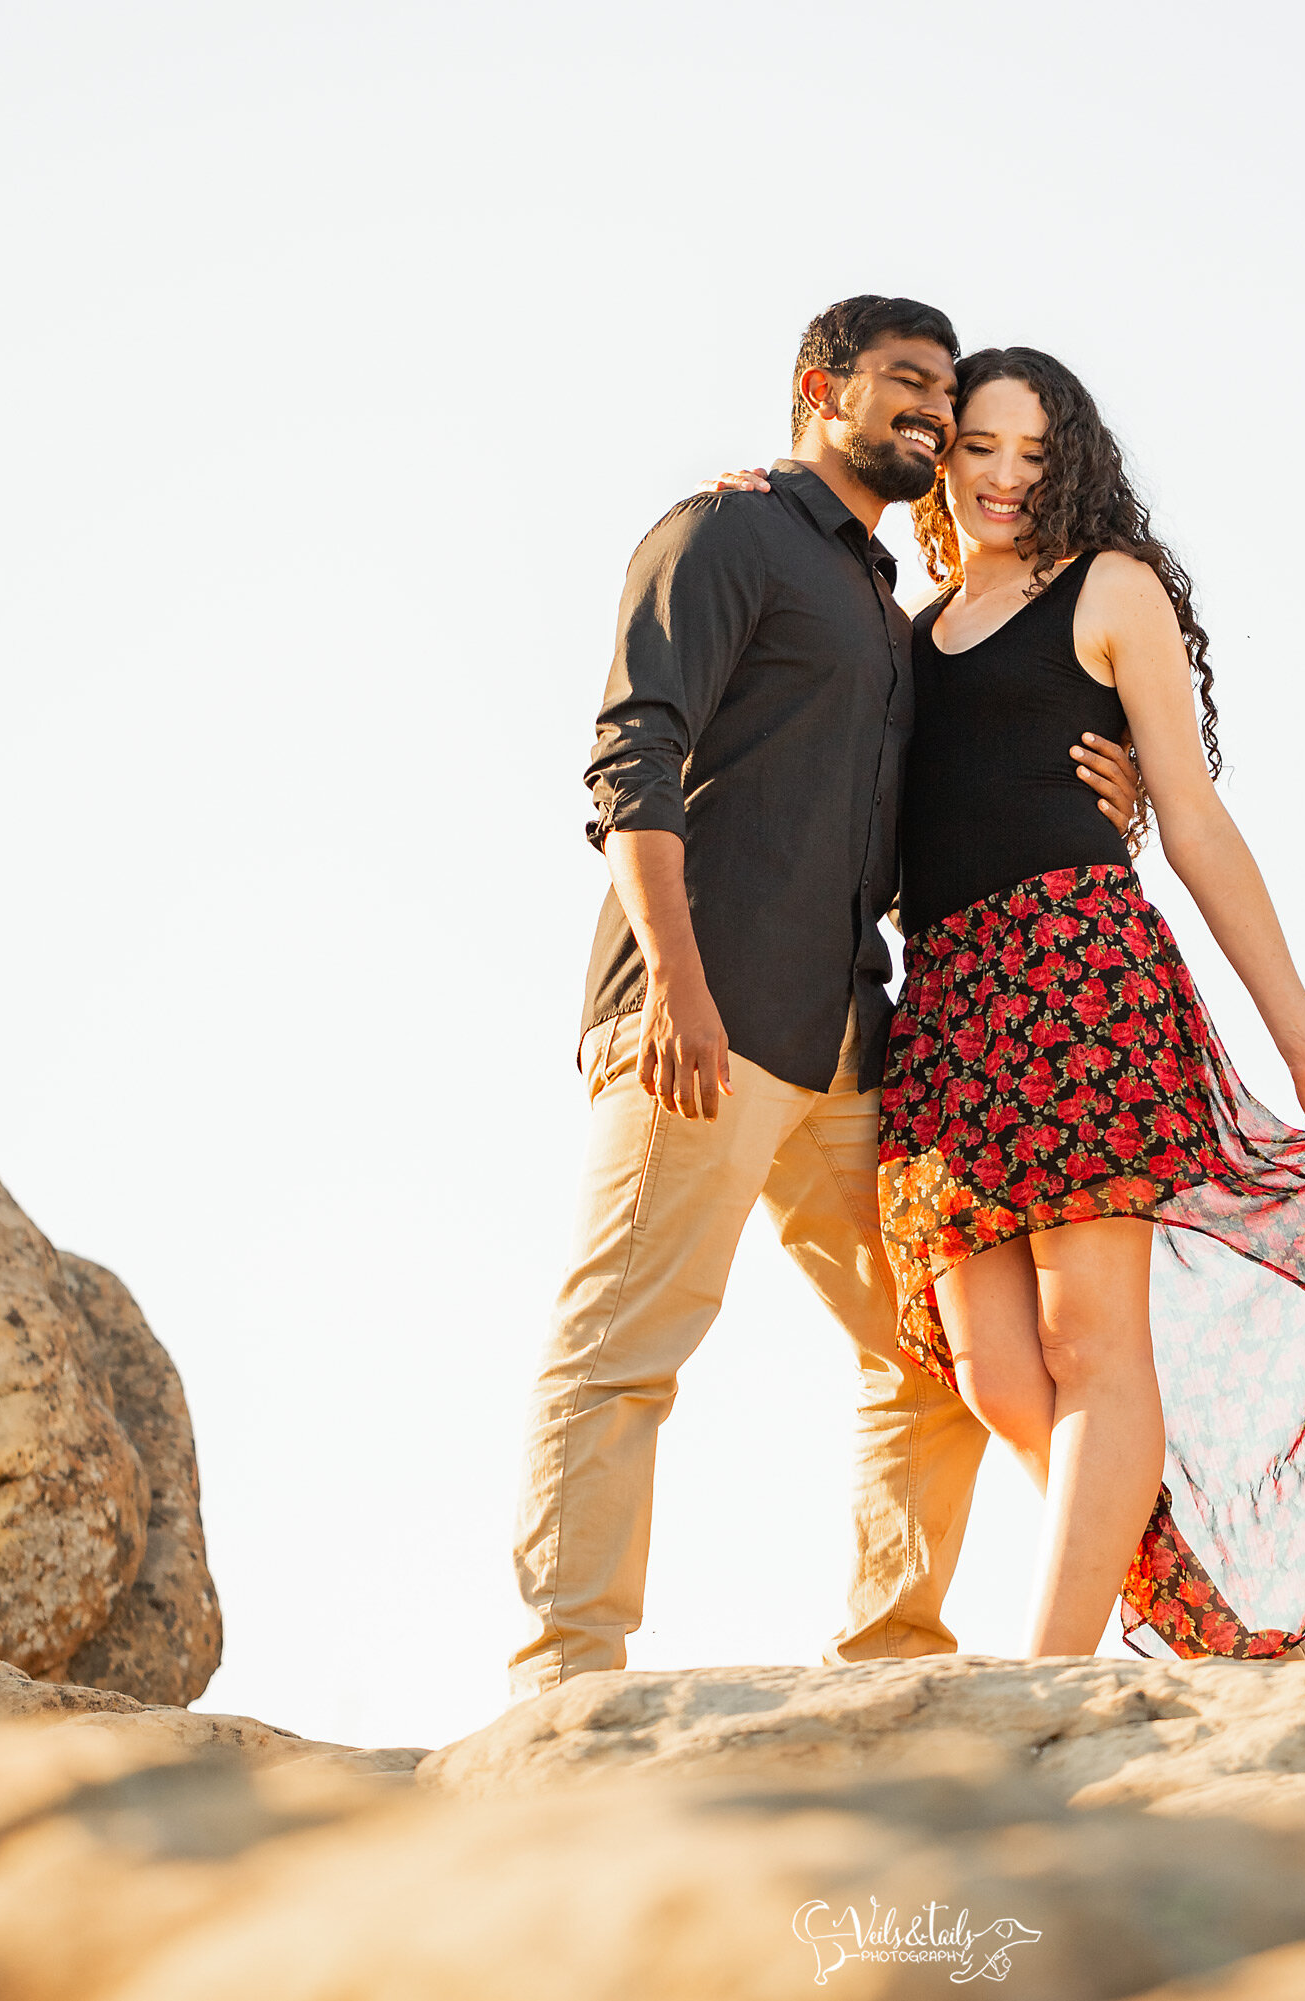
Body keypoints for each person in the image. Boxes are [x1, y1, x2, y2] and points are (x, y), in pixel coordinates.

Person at [714, 345, 1305, 1661]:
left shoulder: (1109, 590)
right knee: (991, 1369)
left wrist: (1303, 1038)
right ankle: (1202, 1620)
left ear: (1073, 464)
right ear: (939, 454)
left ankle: (1050, 1677)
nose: (1003, 478)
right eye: (980, 447)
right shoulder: (905, 638)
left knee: (1095, 1340)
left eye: (1036, 455)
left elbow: (1196, 818)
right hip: (953, 1003)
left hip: (1080, 974)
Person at [509, 300, 1140, 1694]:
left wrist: (1114, 789)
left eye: (949, 398)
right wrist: (679, 986)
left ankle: (889, 1649)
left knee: (931, 1354)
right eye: (907, 385)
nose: (931, 415)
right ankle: (565, 1679)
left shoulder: (881, 602)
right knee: (622, 1350)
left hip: (850, 1045)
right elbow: (632, 761)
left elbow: (956, 800)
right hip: (698, 1026)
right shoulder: (721, 535)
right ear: (818, 389)